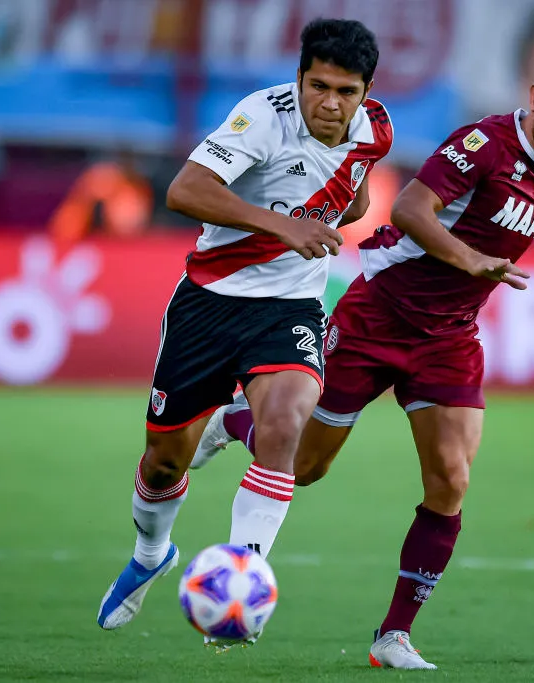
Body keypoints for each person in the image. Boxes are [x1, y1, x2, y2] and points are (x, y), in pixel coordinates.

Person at [195, 47, 534, 668]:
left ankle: (393, 637)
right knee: (303, 468)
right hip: (378, 313)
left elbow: (516, 216)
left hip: (449, 338)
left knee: (451, 479)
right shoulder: (483, 143)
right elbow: (409, 208)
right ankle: (233, 422)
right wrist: (469, 261)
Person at [97, 18, 393, 632]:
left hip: (289, 309)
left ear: (366, 91)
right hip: (209, 303)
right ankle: (152, 555)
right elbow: (185, 190)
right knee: (163, 463)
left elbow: (357, 190)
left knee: (285, 423)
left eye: (346, 91)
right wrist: (286, 225)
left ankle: (246, 573)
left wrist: (349, 208)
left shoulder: (376, 131)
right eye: (318, 86)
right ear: (299, 78)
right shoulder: (262, 117)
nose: (330, 103)